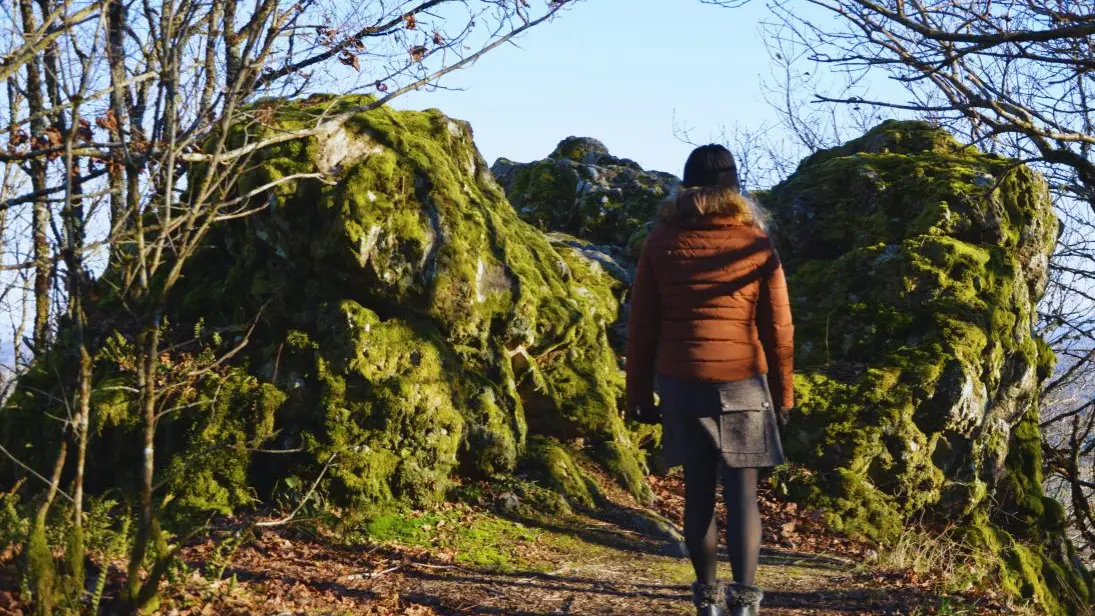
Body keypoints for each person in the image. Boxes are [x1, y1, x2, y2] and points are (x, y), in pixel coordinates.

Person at [625, 144, 794, 616]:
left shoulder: (661, 240)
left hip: (680, 381)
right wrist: (784, 393)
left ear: (686, 185)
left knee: (698, 491)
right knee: (742, 496)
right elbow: (778, 326)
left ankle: (707, 603)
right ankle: (744, 604)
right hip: (742, 380)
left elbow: (642, 325)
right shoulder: (754, 242)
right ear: (733, 187)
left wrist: (637, 393)